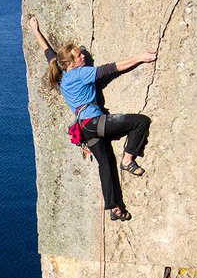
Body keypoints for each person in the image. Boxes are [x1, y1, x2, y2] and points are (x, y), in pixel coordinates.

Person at [28, 14, 156, 221]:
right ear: (70, 62)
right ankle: (129, 158)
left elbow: (48, 53)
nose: (83, 57)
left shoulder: (61, 74)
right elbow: (112, 68)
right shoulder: (80, 73)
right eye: (79, 56)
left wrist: (35, 30)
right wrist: (140, 58)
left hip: (85, 129)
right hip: (95, 122)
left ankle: (114, 207)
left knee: (105, 165)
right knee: (140, 122)